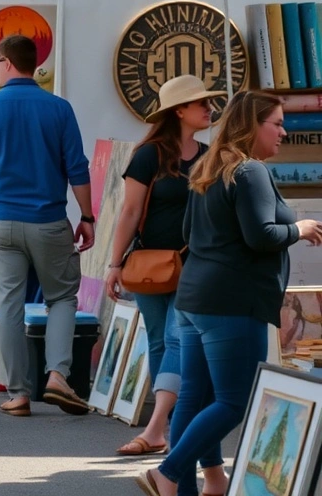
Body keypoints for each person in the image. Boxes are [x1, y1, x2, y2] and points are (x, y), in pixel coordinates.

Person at [139, 91, 322, 496]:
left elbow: (187, 233)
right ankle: (168, 473)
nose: (283, 131)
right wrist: (301, 228)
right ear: (253, 125)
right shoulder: (250, 171)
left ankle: (185, 487)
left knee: (196, 394)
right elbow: (261, 236)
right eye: (276, 123)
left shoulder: (208, 165)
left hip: (193, 299)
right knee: (233, 402)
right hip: (232, 303)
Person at [0, 34, 94, 417]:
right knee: (61, 298)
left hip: (2, 220)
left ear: (5, 62)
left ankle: (19, 393)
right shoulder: (59, 108)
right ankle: (57, 375)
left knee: (9, 304)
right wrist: (86, 216)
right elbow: (77, 168)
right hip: (49, 220)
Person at [103, 75, 220, 459]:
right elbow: (130, 211)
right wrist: (113, 264)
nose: (209, 108)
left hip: (194, 265)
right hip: (150, 264)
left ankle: (156, 429)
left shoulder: (209, 155)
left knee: (175, 339)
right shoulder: (148, 155)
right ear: (179, 111)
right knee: (158, 341)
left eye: (208, 103)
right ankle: (167, 424)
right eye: (201, 103)